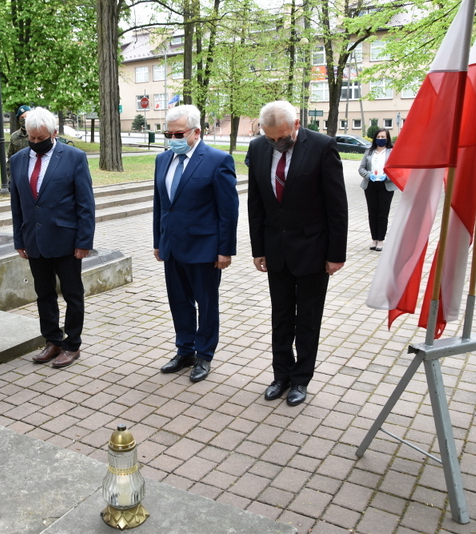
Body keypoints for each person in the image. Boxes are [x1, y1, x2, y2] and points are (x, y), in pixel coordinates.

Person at [246, 100, 348, 406]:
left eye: (283, 137)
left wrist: (336, 254)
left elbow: (337, 206)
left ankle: (301, 379)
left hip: (313, 251)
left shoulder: (322, 147)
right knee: (280, 316)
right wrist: (258, 249)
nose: (277, 144)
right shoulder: (258, 148)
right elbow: (256, 203)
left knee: (307, 318)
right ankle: (281, 376)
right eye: (271, 138)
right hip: (276, 251)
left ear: (297, 124)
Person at [153, 104, 239, 383]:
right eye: (169, 134)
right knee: (179, 302)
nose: (173, 139)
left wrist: (225, 249)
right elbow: (161, 205)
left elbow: (228, 210)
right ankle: (185, 349)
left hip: (204, 248)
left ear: (196, 131)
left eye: (179, 134)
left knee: (206, 303)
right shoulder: (162, 160)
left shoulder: (217, 160)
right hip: (172, 245)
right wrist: (158, 240)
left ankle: (204, 355)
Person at [9, 107, 95, 368]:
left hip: (66, 240)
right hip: (34, 239)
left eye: (41, 138)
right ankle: (53, 340)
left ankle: (72, 344)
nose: (36, 143)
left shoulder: (74, 157)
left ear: (54, 133)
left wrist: (84, 242)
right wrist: (19, 239)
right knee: (43, 293)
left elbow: (85, 204)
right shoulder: (18, 159)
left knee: (72, 294)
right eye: (32, 139)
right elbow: (17, 203)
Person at [358, 129, 395, 252]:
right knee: (372, 213)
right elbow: (361, 168)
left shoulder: (392, 152)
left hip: (385, 186)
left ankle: (381, 240)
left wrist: (387, 176)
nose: (380, 138)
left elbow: (396, 169)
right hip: (371, 186)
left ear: (387, 138)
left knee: (382, 214)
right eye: (378, 136)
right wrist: (369, 175)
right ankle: (374, 238)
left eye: (383, 136)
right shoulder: (369, 152)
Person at [7, 105, 31, 184]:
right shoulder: (14, 136)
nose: (24, 119)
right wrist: (10, 178)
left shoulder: (37, 134)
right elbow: (10, 158)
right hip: (20, 174)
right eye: (22, 117)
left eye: (27, 116)